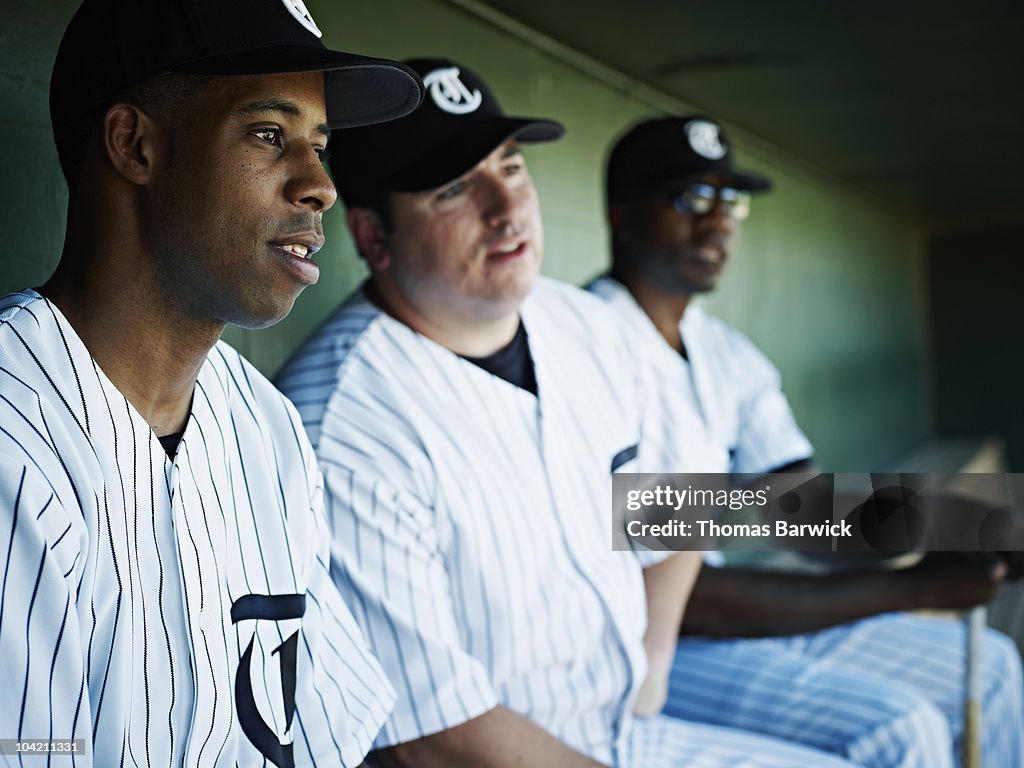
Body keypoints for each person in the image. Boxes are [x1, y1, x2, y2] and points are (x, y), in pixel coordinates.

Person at [275, 57, 867, 768]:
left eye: (513, 166)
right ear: (373, 238)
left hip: (627, 727)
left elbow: (679, 508)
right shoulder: (341, 424)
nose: (506, 207)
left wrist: (648, 672)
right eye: (456, 187)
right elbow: (436, 737)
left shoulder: (584, 322)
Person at [0, 0, 425, 764]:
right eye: (270, 135)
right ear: (134, 144)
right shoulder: (13, 431)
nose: (320, 185)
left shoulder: (267, 424)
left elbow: (320, 736)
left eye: (320, 146)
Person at [588, 114, 1024, 767]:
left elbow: (810, 514)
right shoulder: (580, 345)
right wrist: (912, 589)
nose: (717, 222)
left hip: (716, 619)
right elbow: (681, 597)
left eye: (729, 200)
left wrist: (974, 523)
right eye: (690, 198)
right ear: (622, 213)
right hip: (636, 643)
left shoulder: (727, 353)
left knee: (993, 663)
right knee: (897, 729)